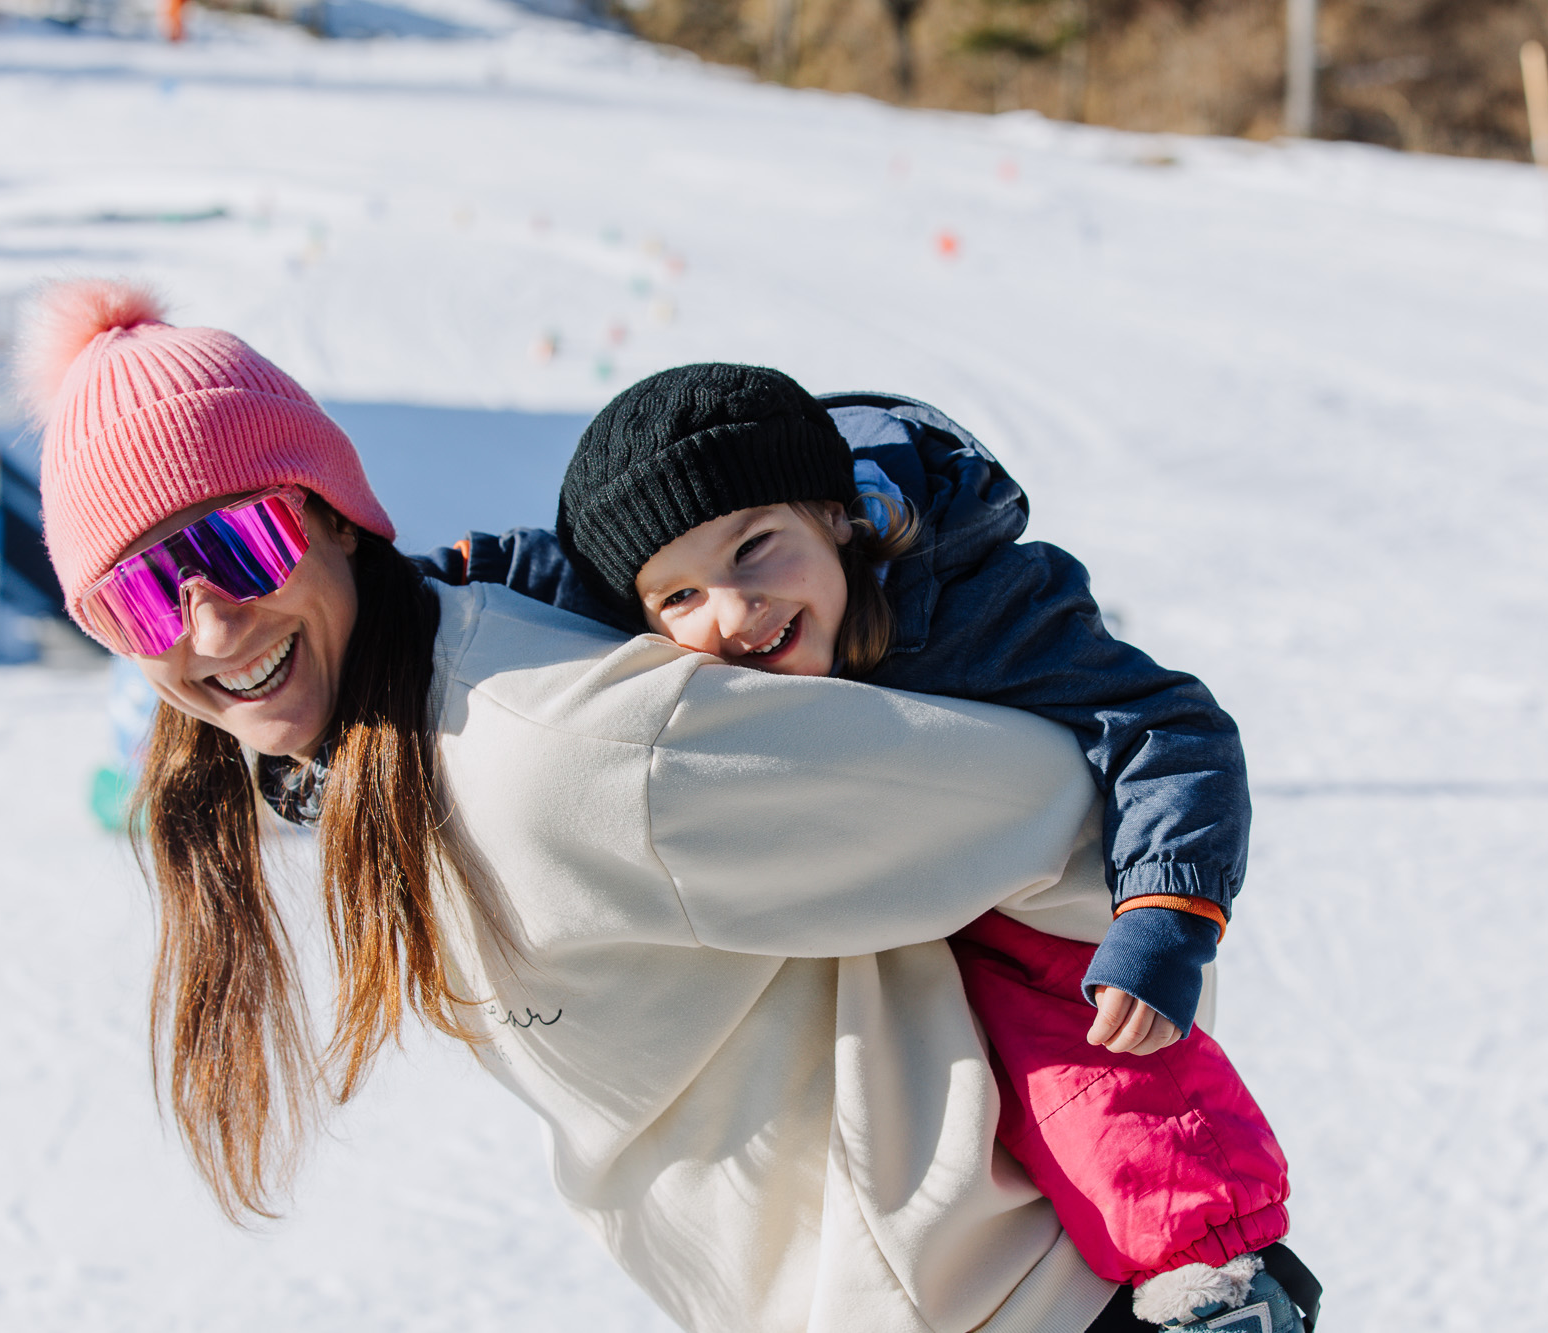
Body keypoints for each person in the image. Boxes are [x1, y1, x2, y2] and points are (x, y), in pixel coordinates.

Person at [26, 280, 1310, 1333]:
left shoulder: (558, 752)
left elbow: (1048, 800)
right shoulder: (364, 736)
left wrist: (1157, 919)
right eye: (140, 600)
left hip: (1012, 1298)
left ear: (339, 520)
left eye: (240, 550)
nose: (207, 625)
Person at [446, 365, 1309, 1330]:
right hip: (887, 888)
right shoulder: (670, 617)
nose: (731, 614)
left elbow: (1165, 726)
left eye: (758, 548)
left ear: (837, 514)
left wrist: (1163, 916)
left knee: (1089, 1049)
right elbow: (550, 574)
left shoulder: (973, 602)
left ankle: (1218, 1279)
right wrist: (437, 585)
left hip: (1027, 898)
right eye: (681, 595)